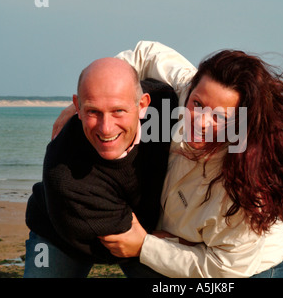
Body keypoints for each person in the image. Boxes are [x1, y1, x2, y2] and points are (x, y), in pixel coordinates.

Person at [53, 41, 283, 278]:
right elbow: (146, 54)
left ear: (240, 123)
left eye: (219, 117)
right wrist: (84, 104)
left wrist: (145, 246)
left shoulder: (246, 189)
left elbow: (221, 266)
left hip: (252, 268)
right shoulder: (189, 90)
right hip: (185, 245)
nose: (199, 121)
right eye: (197, 104)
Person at [24, 57, 178, 277]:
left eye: (118, 111)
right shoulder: (65, 174)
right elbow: (127, 242)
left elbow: (149, 54)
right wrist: (177, 240)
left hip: (141, 230)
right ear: (77, 106)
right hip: (59, 235)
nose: (106, 129)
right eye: (93, 111)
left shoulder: (166, 105)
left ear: (143, 104)